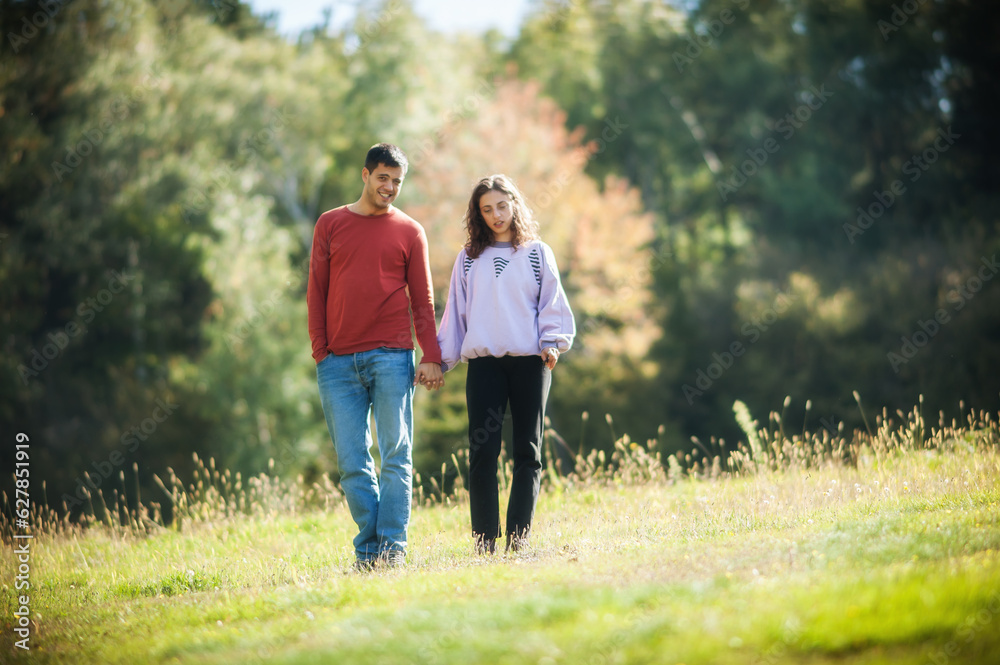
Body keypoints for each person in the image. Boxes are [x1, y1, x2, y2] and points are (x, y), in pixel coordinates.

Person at [307, 143, 444, 571]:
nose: (390, 187)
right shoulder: (330, 224)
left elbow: (422, 300)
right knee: (352, 464)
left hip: (392, 356)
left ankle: (392, 552)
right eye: (383, 177)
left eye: (397, 181)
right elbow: (316, 290)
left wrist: (431, 355)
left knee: (396, 456)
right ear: (365, 175)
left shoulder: (409, 231)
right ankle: (370, 551)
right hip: (337, 363)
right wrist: (321, 351)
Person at [437, 174, 576, 555]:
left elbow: (552, 304)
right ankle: (484, 541)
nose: (495, 215)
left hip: (531, 362)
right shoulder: (468, 259)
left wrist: (553, 344)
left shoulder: (536, 253)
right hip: (484, 366)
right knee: (482, 452)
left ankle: (519, 539)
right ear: (477, 214)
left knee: (528, 451)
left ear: (514, 204)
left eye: (501, 205)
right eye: (486, 209)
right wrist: (439, 361)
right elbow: (455, 317)